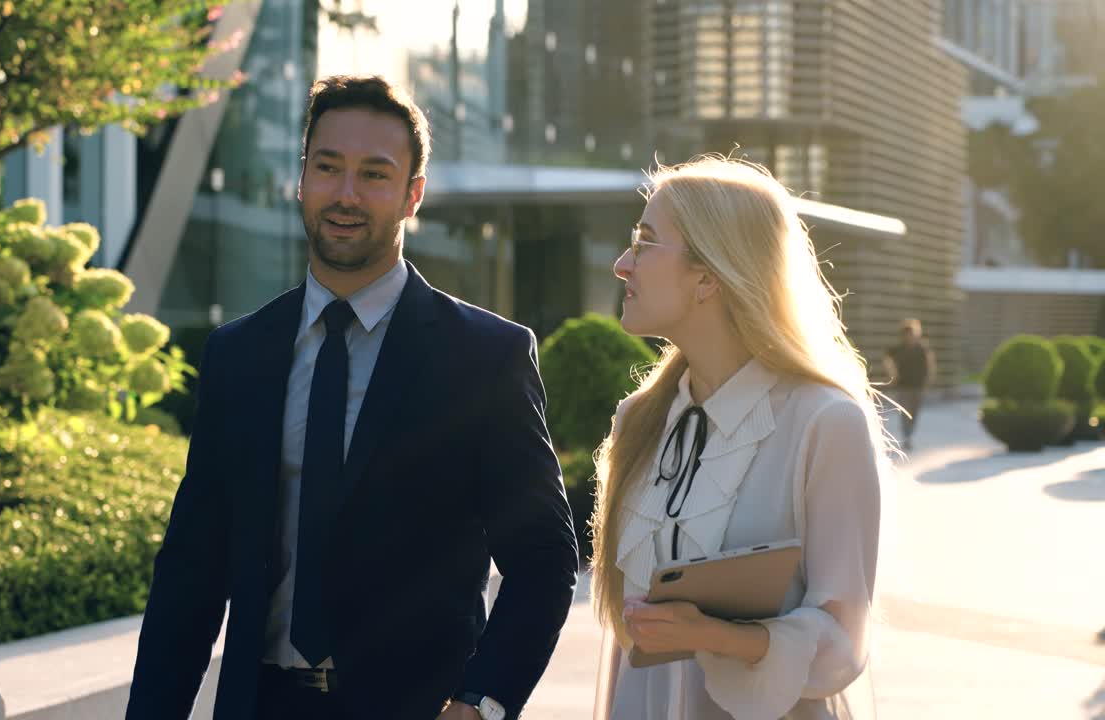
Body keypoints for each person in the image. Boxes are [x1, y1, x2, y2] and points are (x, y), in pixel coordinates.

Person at [127, 75, 578, 720]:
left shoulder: (484, 357)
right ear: (302, 177)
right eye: (328, 167)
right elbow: (191, 572)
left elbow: (542, 559)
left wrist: (481, 702)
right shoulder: (239, 354)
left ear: (412, 194)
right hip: (262, 705)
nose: (344, 194)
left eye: (374, 174)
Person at [590, 157, 890, 720]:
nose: (622, 264)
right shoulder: (639, 420)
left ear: (709, 276)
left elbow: (843, 643)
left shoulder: (825, 423)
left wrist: (717, 636)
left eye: (646, 242)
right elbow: (625, 652)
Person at [882, 318, 934, 451]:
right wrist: (892, 374)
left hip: (918, 386)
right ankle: (907, 437)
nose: (909, 337)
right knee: (905, 413)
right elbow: (887, 359)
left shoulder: (922, 349)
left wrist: (927, 381)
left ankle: (909, 434)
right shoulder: (898, 349)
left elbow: (929, 365)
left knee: (914, 413)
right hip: (903, 386)